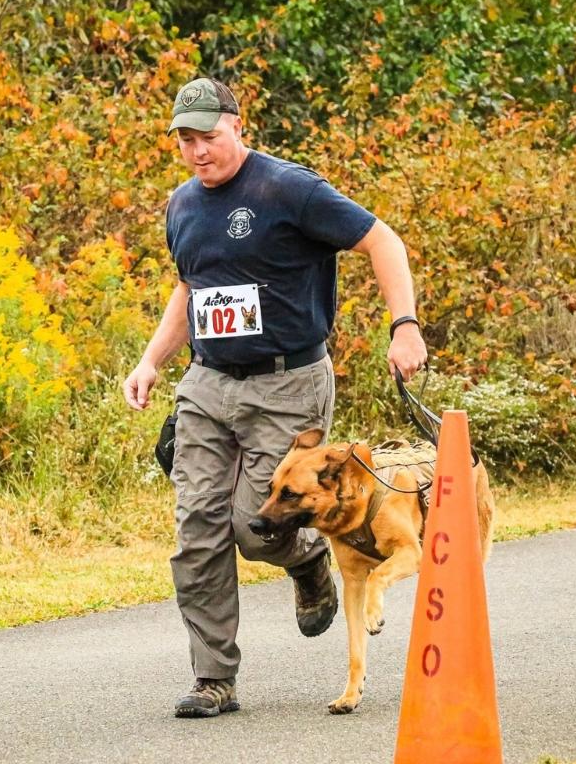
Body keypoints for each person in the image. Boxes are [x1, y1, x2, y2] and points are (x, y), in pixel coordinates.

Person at [123, 77, 428, 718]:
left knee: (256, 529)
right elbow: (191, 290)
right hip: (209, 382)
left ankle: (309, 558)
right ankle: (214, 680)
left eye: (208, 136)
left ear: (238, 126)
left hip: (287, 383)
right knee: (197, 531)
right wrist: (152, 360)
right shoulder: (181, 205)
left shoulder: (288, 189)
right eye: (185, 139)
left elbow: (382, 240)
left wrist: (404, 325)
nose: (197, 150)